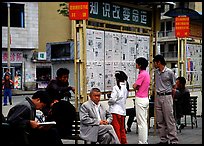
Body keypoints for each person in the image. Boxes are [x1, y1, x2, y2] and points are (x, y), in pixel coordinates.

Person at [153, 54, 179, 144]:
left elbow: (174, 85)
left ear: (159, 62)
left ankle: (173, 140)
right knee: (160, 120)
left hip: (167, 96)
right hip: (158, 96)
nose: (154, 64)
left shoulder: (169, 72)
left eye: (154, 62)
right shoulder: (156, 72)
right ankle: (163, 140)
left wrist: (170, 97)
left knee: (169, 119)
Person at [45, 68, 76, 137]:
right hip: (50, 104)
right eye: (64, 77)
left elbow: (65, 92)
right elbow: (57, 89)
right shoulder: (53, 82)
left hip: (59, 104)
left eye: (67, 77)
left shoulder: (65, 83)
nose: (66, 79)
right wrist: (70, 88)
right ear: (59, 77)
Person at [132, 57, 150, 144]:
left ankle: (142, 142)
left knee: (140, 123)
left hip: (140, 99)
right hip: (146, 98)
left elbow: (135, 86)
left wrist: (134, 85)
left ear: (139, 65)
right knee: (144, 122)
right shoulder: (146, 74)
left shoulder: (141, 74)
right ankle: (144, 140)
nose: (136, 65)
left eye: (137, 63)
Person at [108, 70, 129, 144]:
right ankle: (124, 142)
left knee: (116, 130)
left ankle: (118, 142)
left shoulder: (116, 88)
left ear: (117, 79)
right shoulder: (125, 88)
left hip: (115, 111)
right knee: (122, 130)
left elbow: (113, 99)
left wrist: (109, 101)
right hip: (122, 111)